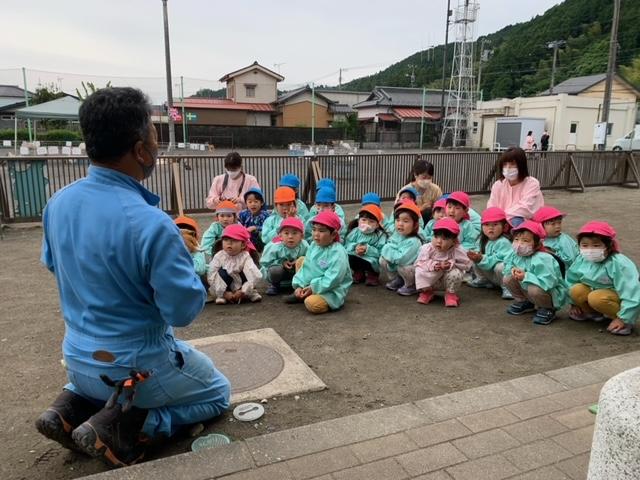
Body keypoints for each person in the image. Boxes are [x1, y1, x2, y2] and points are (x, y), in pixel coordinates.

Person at [36, 87, 230, 467]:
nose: (156, 144)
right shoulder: (152, 224)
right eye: (154, 135)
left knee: (96, 376)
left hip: (76, 358)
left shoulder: (58, 202)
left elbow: (52, 264)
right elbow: (182, 311)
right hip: (137, 365)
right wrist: (184, 259)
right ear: (141, 150)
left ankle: (68, 407)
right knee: (218, 393)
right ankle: (134, 425)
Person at [566, 221, 640, 336]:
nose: (590, 250)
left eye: (596, 245)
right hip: (597, 293)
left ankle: (623, 321)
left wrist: (624, 318)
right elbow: (571, 280)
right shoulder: (582, 259)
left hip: (615, 297)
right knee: (576, 289)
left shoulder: (619, 263)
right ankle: (593, 313)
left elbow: (631, 292)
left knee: (596, 297)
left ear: (608, 246)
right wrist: (574, 303)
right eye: (584, 245)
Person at [503, 220, 567, 325]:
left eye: (525, 240)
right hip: (527, 288)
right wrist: (512, 269)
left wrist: (526, 276)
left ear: (537, 244)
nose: (519, 244)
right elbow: (507, 265)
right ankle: (525, 302)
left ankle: (547, 308)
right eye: (516, 239)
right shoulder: (515, 254)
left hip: (549, 293)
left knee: (534, 289)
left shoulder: (543, 258)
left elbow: (549, 282)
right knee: (508, 277)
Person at [287, 211, 352, 314]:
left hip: (331, 289)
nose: (316, 234)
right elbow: (306, 267)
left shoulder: (337, 253)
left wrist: (313, 288)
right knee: (301, 261)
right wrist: (299, 285)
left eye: (321, 231)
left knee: (311, 304)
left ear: (333, 234)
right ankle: (302, 292)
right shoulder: (314, 245)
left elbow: (334, 278)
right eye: (314, 230)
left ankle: (325, 299)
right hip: (312, 282)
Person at [415, 218, 473, 307]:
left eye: (444, 238)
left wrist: (452, 264)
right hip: (431, 280)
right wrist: (435, 265)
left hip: (446, 281)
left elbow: (467, 265)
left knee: (456, 273)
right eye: (436, 236)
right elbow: (420, 262)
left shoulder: (456, 250)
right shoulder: (427, 248)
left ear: (453, 241)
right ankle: (427, 292)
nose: (439, 241)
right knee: (419, 269)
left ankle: (450, 293)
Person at [487, 147, 544, 226]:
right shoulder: (498, 185)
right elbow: (491, 206)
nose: (508, 167)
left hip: (526, 222)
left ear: (521, 165)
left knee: (516, 220)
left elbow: (524, 208)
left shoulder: (532, 184)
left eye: (512, 164)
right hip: (500, 223)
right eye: (505, 164)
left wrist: (501, 218)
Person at [208, 224, 262, 305]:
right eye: (226, 240)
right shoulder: (219, 256)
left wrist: (243, 290)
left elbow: (254, 275)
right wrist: (223, 292)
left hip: (241, 286)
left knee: (249, 271)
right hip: (225, 286)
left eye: (234, 240)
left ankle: (250, 292)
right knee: (221, 272)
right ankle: (222, 295)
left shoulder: (245, 256)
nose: (229, 243)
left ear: (243, 244)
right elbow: (211, 274)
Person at [466, 207, 513, 299]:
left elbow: (502, 260)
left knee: (500, 266)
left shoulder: (504, 242)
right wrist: (475, 255)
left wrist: (482, 258)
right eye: (487, 224)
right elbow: (477, 251)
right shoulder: (482, 240)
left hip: (502, 277)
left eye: (495, 224)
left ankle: (507, 288)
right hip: (491, 276)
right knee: (474, 258)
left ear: (505, 227)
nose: (491, 228)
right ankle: (483, 280)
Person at [380, 201, 424, 295]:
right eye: (398, 220)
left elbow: (402, 259)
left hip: (412, 269)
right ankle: (399, 279)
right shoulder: (397, 234)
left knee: (403, 267)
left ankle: (411, 285)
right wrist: (389, 250)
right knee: (382, 259)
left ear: (415, 224)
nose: (400, 224)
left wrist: (388, 249)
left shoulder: (414, 241)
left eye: (405, 221)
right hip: (398, 263)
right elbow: (385, 250)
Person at [260, 217, 308, 296]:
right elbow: (265, 263)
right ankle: (275, 285)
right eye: (286, 233)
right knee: (275, 270)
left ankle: (299, 285)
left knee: (304, 262)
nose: (290, 236)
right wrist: (281, 263)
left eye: (294, 233)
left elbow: (310, 260)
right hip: (281, 273)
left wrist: (299, 261)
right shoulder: (274, 246)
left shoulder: (304, 245)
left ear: (301, 236)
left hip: (296, 273)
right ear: (280, 236)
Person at [345, 204, 388, 286]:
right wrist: (355, 247)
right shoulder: (355, 231)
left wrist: (368, 249)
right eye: (364, 220)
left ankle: (372, 274)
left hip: (371, 259)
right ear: (358, 221)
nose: (366, 224)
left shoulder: (380, 235)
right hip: (356, 254)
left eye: (371, 221)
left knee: (371, 262)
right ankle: (358, 272)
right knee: (348, 256)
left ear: (377, 224)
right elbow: (346, 245)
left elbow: (381, 251)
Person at [396, 158, 443, 223]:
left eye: (429, 178)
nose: (426, 180)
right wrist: (421, 209)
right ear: (415, 175)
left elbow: (441, 208)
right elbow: (399, 211)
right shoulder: (405, 191)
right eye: (424, 177)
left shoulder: (436, 190)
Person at [238, 187, 270, 253]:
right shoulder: (242, 214)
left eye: (256, 201)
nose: (253, 204)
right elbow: (238, 225)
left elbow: (269, 228)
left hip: (261, 242)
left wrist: (256, 228)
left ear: (261, 203)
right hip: (246, 240)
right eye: (250, 202)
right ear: (246, 203)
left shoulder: (266, 215)